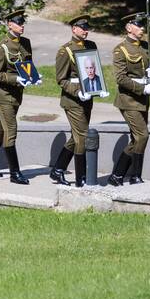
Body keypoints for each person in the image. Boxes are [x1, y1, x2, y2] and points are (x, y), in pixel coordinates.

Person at [109, 12, 150, 186]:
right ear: (129, 27)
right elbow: (120, 78)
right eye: (139, 25)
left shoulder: (147, 46)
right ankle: (135, 177)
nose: (143, 28)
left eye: (144, 26)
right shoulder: (121, 50)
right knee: (142, 136)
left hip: (144, 100)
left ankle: (117, 175)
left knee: (136, 139)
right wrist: (143, 88)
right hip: (129, 100)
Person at [0, 9, 32, 185]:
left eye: (23, 22)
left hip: (17, 94)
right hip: (3, 95)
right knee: (11, 130)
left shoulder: (25, 43)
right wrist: (16, 78)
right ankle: (15, 173)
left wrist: (33, 77)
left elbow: (28, 65)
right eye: (18, 22)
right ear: (10, 24)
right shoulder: (0, 47)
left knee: (1, 129)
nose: (22, 25)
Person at [51, 15, 99, 187]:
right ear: (74, 29)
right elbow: (61, 79)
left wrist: (99, 88)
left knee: (76, 136)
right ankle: (81, 178)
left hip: (88, 99)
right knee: (83, 137)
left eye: (87, 28)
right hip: (73, 100)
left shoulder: (91, 46)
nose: (86, 30)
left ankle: (57, 170)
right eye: (82, 27)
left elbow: (94, 70)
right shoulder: (65, 51)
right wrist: (78, 92)